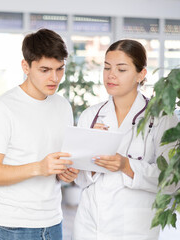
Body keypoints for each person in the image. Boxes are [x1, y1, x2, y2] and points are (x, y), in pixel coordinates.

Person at [73, 39, 179, 239]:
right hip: (89, 227)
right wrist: (88, 157)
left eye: (121, 69)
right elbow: (79, 179)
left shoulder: (162, 117)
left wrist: (126, 165)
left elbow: (172, 181)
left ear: (141, 74)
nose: (111, 75)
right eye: (106, 68)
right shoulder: (91, 116)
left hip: (134, 228)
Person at [0, 28, 79, 240]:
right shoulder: (3, 108)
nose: (54, 78)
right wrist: (40, 167)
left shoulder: (63, 106)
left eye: (59, 69)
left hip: (53, 220)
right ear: (26, 66)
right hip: (13, 226)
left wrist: (65, 172)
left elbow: (58, 163)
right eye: (45, 70)